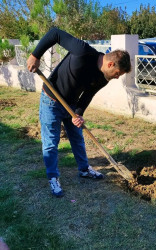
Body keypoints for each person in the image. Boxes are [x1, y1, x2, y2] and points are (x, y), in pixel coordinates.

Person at [27, 27, 131, 197]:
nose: (117, 77)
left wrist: (79, 113)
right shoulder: (82, 51)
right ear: (110, 64)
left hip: (71, 105)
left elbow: (87, 95)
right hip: (51, 100)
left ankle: (84, 169)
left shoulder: (103, 78)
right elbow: (55, 33)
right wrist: (35, 55)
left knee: (77, 137)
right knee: (51, 142)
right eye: (117, 73)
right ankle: (53, 177)